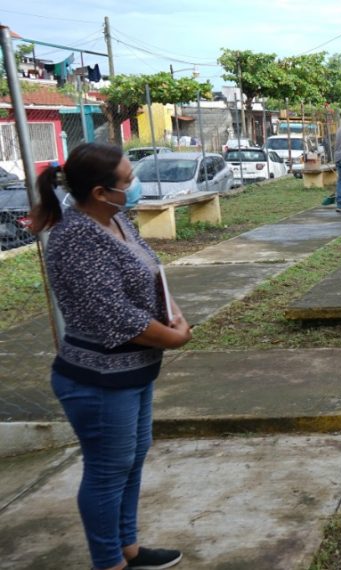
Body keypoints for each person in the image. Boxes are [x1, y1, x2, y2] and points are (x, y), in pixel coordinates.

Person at [29, 143, 191, 570]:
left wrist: (176, 315)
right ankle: (108, 561)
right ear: (101, 192)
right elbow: (115, 315)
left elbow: (152, 274)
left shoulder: (116, 220)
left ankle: (128, 548)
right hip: (97, 377)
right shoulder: (75, 240)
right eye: (128, 181)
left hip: (133, 371)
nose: (134, 186)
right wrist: (173, 339)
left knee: (131, 460)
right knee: (107, 470)